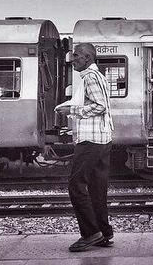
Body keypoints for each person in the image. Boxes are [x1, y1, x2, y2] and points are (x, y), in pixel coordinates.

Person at [55, 43, 114, 252]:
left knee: (76, 185)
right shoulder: (97, 76)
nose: (73, 60)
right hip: (102, 138)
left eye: (77, 56)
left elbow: (100, 106)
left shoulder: (90, 77)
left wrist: (72, 110)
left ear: (88, 58)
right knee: (97, 188)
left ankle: (91, 233)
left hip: (90, 140)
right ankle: (104, 233)